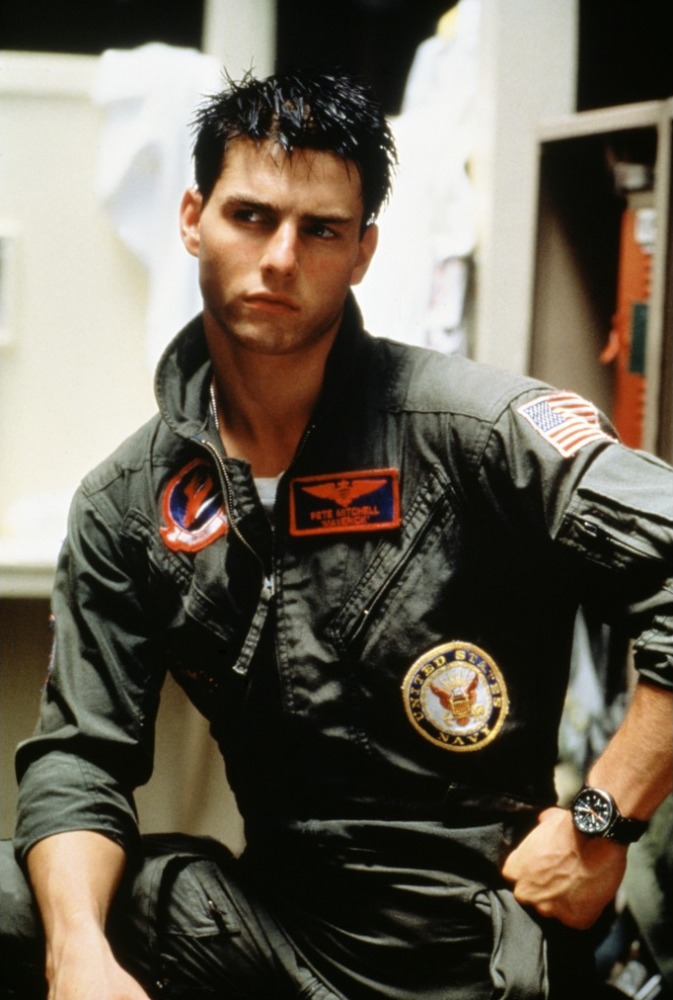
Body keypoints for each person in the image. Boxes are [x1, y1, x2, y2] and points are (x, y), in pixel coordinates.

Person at [1, 68, 672, 1000]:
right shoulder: (130, 503)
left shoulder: (472, 433)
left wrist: (603, 821)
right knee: (21, 903)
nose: (280, 257)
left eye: (319, 230)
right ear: (192, 217)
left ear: (362, 251)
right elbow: (83, 755)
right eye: (250, 216)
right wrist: (76, 953)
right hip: (275, 930)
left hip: (471, 948)